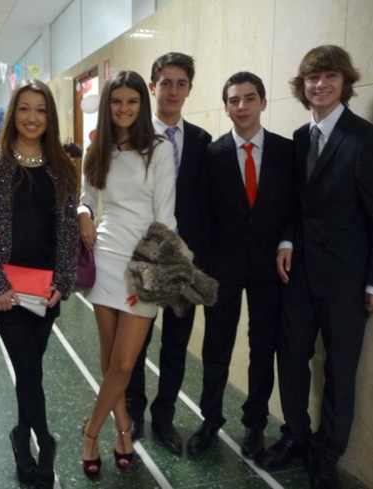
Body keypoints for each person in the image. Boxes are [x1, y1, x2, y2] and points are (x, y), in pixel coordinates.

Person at [256, 45, 373, 489]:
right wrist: (286, 240)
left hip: (347, 280)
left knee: (340, 369)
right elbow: (295, 204)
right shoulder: (299, 138)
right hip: (297, 276)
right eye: (313, 77)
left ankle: (327, 452)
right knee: (291, 358)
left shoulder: (366, 140)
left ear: (345, 82)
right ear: (303, 85)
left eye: (330, 76)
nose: (320, 85)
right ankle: (295, 435)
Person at [0, 79, 78, 489]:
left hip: (45, 288)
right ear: (13, 113)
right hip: (7, 290)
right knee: (29, 367)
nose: (32, 118)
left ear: (50, 117)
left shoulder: (61, 167)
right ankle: (44, 441)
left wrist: (63, 281)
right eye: (24, 108)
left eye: (41, 110)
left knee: (29, 368)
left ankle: (21, 433)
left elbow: (67, 229)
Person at [189, 72, 294, 459]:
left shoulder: (286, 151)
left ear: (263, 102)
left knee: (263, 348)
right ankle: (210, 419)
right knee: (217, 346)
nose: (242, 106)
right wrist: (203, 266)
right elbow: (203, 213)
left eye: (250, 98)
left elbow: (295, 207)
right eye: (234, 100)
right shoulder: (212, 154)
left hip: (270, 267)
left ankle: (255, 424)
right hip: (222, 267)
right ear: (226, 107)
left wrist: (287, 241)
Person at [79, 70, 177, 477]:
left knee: (123, 363)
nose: (123, 108)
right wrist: (83, 213)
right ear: (108, 105)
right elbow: (86, 198)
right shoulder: (97, 149)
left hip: (143, 260)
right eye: (116, 101)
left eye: (131, 101)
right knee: (110, 359)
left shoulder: (159, 150)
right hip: (104, 256)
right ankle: (122, 430)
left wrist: (148, 273)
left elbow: (166, 219)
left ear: (142, 104)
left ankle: (90, 431)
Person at [125, 52, 212, 454]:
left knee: (175, 346)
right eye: (166, 83)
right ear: (152, 86)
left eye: (181, 83)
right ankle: (133, 410)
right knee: (136, 342)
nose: (173, 91)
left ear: (189, 89)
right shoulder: (133, 138)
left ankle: (164, 416)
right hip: (141, 259)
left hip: (182, 263)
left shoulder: (202, 142)